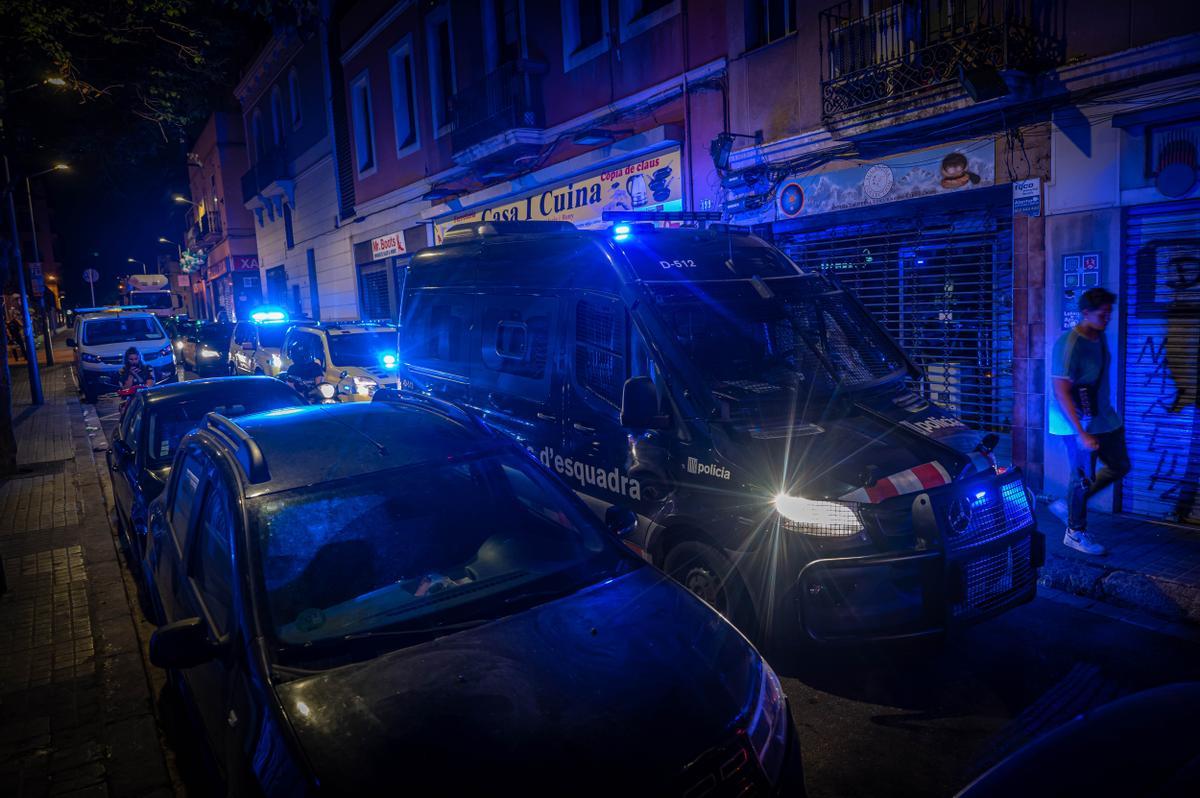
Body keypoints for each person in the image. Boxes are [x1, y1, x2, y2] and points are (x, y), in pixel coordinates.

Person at [1048, 287, 1130, 556]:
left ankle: (1068, 503)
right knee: (1083, 478)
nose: (1107, 318)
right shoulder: (1069, 345)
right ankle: (1075, 531)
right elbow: (1060, 392)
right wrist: (1081, 433)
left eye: (1109, 313)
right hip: (1076, 422)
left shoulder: (1100, 335)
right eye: (1102, 314)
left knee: (1119, 465)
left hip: (1104, 417)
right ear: (1085, 313)